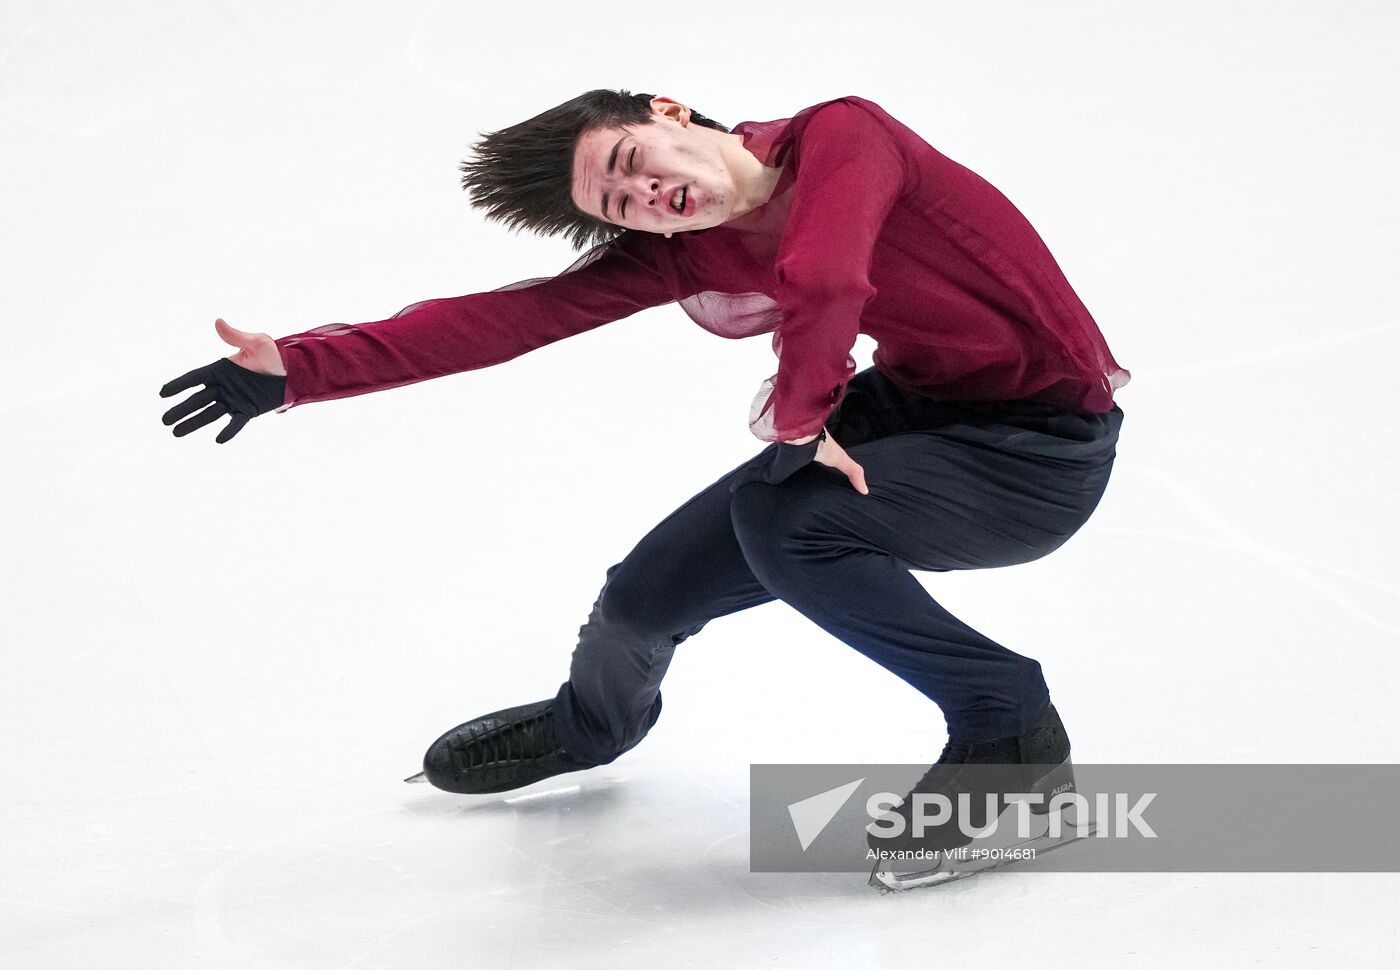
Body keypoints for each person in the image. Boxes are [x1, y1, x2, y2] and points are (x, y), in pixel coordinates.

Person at [158, 90, 1130, 830]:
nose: (646, 197)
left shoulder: (844, 135)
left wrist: (798, 418)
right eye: (620, 206)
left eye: (628, 160)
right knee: (643, 592)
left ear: (668, 111)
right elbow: (509, 317)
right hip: (904, 416)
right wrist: (296, 370)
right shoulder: (686, 249)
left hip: (1033, 453)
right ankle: (591, 720)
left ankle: (1008, 730)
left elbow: (826, 275)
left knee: (786, 524)